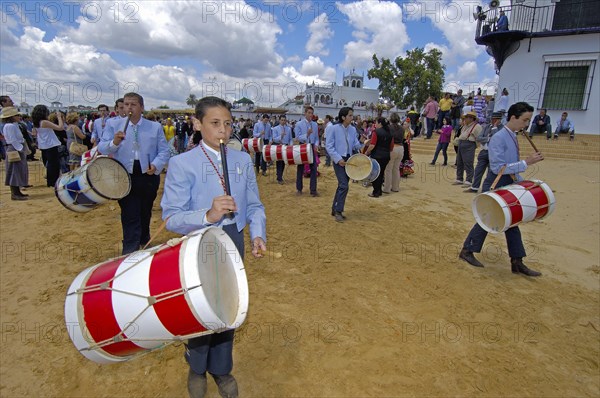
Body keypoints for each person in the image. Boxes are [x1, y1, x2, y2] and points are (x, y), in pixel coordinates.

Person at [161, 96, 266, 398]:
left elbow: (255, 205)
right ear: (197, 124)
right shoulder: (182, 164)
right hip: (199, 244)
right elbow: (171, 218)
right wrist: (207, 215)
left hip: (233, 240)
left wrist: (257, 233)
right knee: (200, 306)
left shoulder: (243, 160)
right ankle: (196, 366)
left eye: (228, 124)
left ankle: (221, 369)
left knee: (228, 306)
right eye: (215, 123)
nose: (223, 130)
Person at [459, 102, 544, 277]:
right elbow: (498, 168)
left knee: (511, 221)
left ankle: (516, 260)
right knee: (488, 218)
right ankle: (468, 250)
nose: (526, 124)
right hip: (497, 183)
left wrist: (521, 181)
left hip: (507, 182)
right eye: (524, 120)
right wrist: (526, 163)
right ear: (513, 117)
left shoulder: (511, 135)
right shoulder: (499, 137)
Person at [98, 92, 170, 255]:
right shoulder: (113, 124)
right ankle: (130, 248)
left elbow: (165, 150)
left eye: (133, 104)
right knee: (130, 211)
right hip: (125, 174)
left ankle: (144, 239)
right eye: (126, 104)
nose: (129, 108)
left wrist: (156, 164)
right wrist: (114, 142)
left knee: (145, 209)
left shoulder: (154, 127)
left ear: (142, 107)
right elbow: (102, 147)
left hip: (148, 174)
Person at [325, 107, 363, 222]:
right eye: (350, 115)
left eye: (352, 115)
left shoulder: (352, 129)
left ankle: (334, 208)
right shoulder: (333, 128)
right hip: (339, 159)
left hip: (349, 159)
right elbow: (329, 146)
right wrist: (337, 159)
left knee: (343, 184)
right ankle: (338, 211)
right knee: (344, 185)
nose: (353, 117)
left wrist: (363, 143)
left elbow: (355, 144)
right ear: (343, 117)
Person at [467, 111, 504, 193]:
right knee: (478, 170)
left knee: (490, 172)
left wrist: (494, 128)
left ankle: (487, 189)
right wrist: (488, 139)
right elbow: (479, 138)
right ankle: (474, 187)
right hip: (484, 151)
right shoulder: (487, 126)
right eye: (492, 119)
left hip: (494, 153)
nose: (492, 120)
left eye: (495, 119)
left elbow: (497, 139)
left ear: (499, 120)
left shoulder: (502, 128)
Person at [31, 105, 64, 187]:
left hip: (43, 145)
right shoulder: (44, 122)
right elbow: (60, 128)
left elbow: (34, 134)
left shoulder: (36, 122)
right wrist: (59, 117)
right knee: (54, 164)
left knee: (49, 164)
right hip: (51, 145)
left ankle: (50, 181)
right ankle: (53, 181)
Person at [1, 107, 29, 200]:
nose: (19, 116)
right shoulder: (10, 126)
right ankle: (15, 193)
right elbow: (13, 139)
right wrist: (21, 149)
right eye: (17, 115)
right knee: (14, 170)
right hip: (15, 148)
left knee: (17, 170)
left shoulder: (12, 125)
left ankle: (17, 192)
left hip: (16, 147)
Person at [365, 116, 393, 198]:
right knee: (381, 174)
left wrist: (367, 152)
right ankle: (379, 191)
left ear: (380, 123)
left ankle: (376, 192)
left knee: (375, 174)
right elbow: (391, 146)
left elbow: (372, 145)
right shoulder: (389, 132)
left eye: (376, 122)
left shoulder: (376, 132)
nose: (375, 124)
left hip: (377, 156)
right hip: (386, 156)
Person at [294, 106, 320, 196]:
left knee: (313, 168)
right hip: (302, 146)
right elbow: (297, 137)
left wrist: (316, 145)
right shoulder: (299, 124)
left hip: (312, 146)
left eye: (311, 113)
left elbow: (317, 137)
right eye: (308, 113)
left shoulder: (315, 125)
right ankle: (299, 189)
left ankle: (313, 190)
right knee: (300, 168)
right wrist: (307, 134)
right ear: (305, 113)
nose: (310, 115)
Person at [453, 111, 482, 186]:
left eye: (466, 118)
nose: (465, 119)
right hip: (462, 143)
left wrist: (475, 145)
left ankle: (469, 180)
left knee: (468, 162)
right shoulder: (465, 126)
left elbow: (479, 138)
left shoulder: (477, 126)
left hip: (469, 143)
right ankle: (459, 178)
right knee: (460, 161)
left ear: (471, 118)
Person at [382, 113, 404, 193]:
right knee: (396, 169)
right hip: (401, 148)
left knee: (388, 169)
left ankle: (387, 188)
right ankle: (395, 187)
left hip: (392, 148)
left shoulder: (388, 127)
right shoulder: (402, 128)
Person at [270, 114, 292, 184]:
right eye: (282, 120)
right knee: (279, 162)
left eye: (284, 120)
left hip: (286, 146)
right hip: (279, 146)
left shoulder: (288, 129)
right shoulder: (275, 128)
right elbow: (274, 139)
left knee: (284, 162)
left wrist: (291, 145)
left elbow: (290, 139)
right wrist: (281, 136)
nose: (283, 121)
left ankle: (280, 175)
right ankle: (279, 178)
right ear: (279, 120)